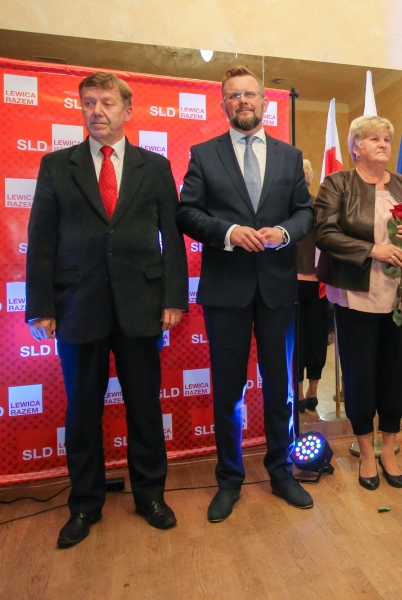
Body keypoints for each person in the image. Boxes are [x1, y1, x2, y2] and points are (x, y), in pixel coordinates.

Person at [25, 72, 188, 548]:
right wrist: (40, 306)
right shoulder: (57, 165)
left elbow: (173, 237)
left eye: (107, 102)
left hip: (142, 305)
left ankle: (150, 497)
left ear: (127, 110)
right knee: (81, 412)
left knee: (144, 408)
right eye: (89, 102)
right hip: (78, 306)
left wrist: (173, 298)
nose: (97, 111)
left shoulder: (154, 167)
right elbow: (41, 239)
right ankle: (84, 504)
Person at [177, 66, 314, 521]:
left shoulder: (290, 157)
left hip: (277, 289)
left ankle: (282, 473)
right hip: (226, 290)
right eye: (234, 95)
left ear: (264, 102)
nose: (243, 102)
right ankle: (229, 480)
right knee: (228, 390)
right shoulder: (204, 154)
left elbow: (305, 213)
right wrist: (230, 232)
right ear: (223, 105)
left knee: (281, 389)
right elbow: (186, 213)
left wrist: (285, 233)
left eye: (250, 94)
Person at [315, 115, 402, 490]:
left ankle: (389, 449)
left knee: (396, 375)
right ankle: (366, 451)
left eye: (386, 139)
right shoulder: (338, 183)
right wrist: (372, 250)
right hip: (357, 294)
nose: (383, 144)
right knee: (361, 375)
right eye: (374, 139)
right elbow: (324, 232)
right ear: (355, 147)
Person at [287, 159, 328, 413]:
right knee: (297, 341)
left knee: (317, 340)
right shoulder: (282, 208)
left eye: (303, 177)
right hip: (290, 284)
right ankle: (299, 390)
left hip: (319, 285)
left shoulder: (320, 207)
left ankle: (313, 390)